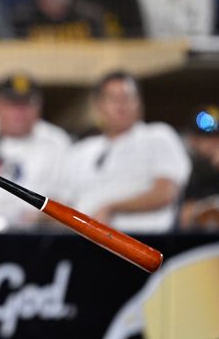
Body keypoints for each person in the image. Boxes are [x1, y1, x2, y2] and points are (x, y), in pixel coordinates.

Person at [58, 72, 191, 233]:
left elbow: (166, 192)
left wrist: (112, 207)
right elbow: (65, 201)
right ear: (99, 106)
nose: (121, 105)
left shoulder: (157, 136)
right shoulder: (81, 150)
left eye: (127, 97)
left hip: (142, 243)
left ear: (139, 103)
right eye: (113, 99)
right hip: (82, 242)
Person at [0, 73, 72, 232]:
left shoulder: (56, 141)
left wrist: (37, 217)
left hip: (36, 234)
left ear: (39, 107)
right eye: (12, 104)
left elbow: (67, 201)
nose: (20, 112)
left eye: (26, 104)